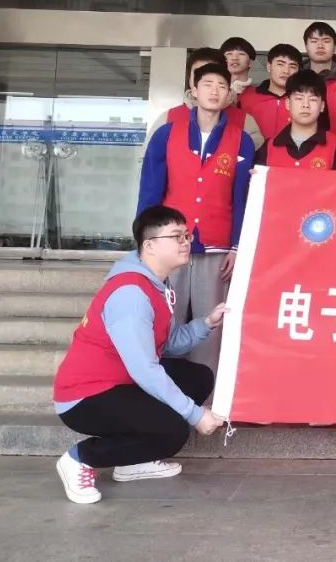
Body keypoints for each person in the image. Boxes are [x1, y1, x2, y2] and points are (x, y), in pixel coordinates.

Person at [53, 205, 226, 505]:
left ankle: (133, 462)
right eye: (176, 236)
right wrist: (195, 414)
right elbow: (145, 369)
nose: (186, 242)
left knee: (197, 378)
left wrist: (206, 323)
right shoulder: (131, 294)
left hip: (122, 381)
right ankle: (81, 458)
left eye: (186, 235)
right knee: (172, 431)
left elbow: (166, 344)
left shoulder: (156, 283)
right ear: (150, 245)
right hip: (86, 396)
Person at [138, 63, 255, 371]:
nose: (214, 91)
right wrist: (145, 242)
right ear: (194, 90)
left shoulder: (241, 140)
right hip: (169, 243)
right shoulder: (166, 135)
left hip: (217, 246)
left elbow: (241, 198)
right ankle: (162, 389)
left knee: (212, 325)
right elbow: (150, 190)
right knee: (165, 320)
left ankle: (207, 392)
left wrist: (237, 247)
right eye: (207, 84)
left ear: (229, 94)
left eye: (221, 85)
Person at [142, 47, 263, 154]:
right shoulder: (168, 118)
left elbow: (254, 165)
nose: (204, 78)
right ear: (190, 79)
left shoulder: (245, 122)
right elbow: (147, 160)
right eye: (198, 73)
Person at [257, 69, 336, 171]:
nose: (305, 105)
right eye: (299, 98)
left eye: (312, 99)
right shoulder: (269, 148)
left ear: (322, 106)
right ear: (287, 103)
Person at [235, 43, 302, 143]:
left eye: (292, 66)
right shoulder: (246, 97)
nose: (286, 71)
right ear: (269, 66)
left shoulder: (303, 100)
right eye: (280, 64)